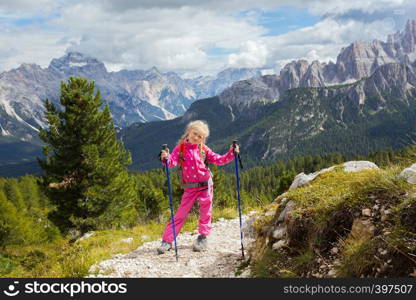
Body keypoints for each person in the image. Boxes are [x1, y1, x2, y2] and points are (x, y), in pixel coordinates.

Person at [157, 120, 239, 254]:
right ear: (188, 132)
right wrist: (165, 158)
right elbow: (171, 163)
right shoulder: (181, 148)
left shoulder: (204, 149)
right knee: (181, 214)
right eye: (195, 134)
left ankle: (202, 237)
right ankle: (167, 240)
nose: (197, 138)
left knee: (205, 212)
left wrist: (231, 153)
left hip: (206, 185)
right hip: (189, 188)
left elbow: (219, 159)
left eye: (201, 137)